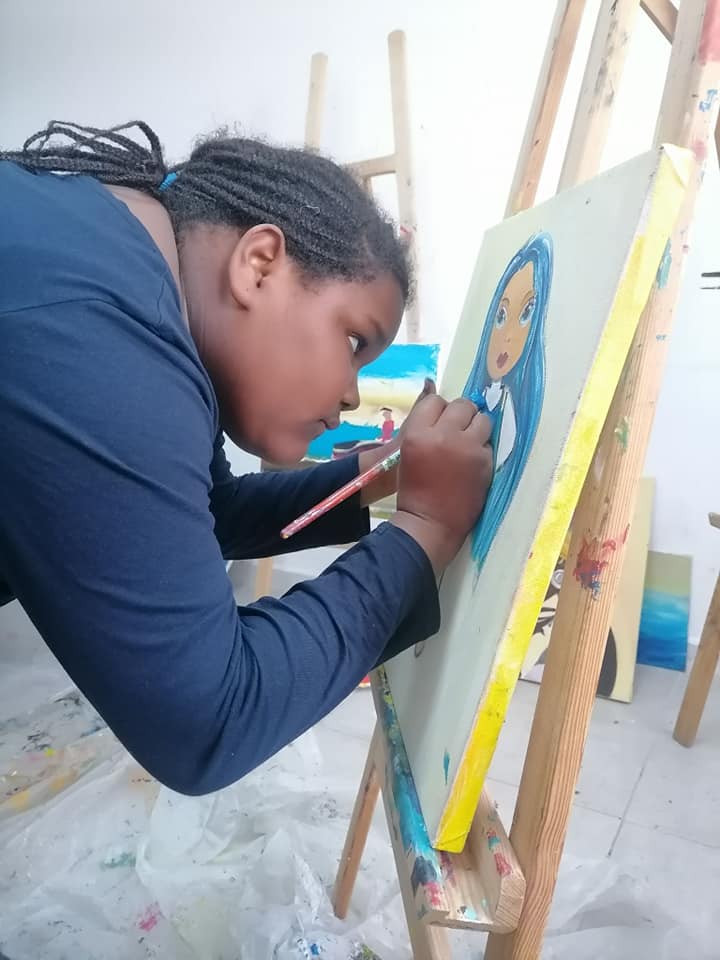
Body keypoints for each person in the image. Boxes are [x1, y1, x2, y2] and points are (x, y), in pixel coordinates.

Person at [0, 121, 492, 795]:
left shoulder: (124, 271)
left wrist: (382, 472)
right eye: (354, 342)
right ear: (259, 263)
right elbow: (208, 720)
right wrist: (426, 528)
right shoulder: (99, 337)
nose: (352, 394)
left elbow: (209, 514)